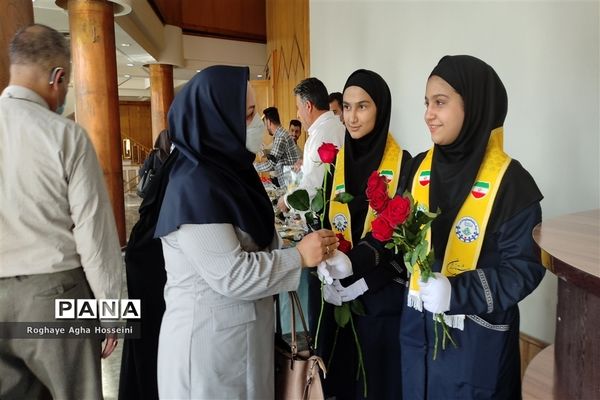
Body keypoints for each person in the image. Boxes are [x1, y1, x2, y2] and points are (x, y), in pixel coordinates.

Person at [153, 65, 339, 399]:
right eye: (248, 115)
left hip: (244, 340)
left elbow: (259, 236)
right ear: (218, 118)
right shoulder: (194, 184)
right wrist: (297, 257)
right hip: (209, 351)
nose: (255, 126)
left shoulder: (229, 172)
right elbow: (232, 274)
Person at [400, 55, 546, 399]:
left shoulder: (512, 183)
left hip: (477, 344)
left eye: (440, 102)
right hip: (417, 334)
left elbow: (524, 267)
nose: (428, 114)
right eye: (426, 103)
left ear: (475, 106)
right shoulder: (419, 167)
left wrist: (458, 292)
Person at [0, 24, 122, 399]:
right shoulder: (65, 135)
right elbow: (95, 237)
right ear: (58, 76)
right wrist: (114, 314)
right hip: (55, 294)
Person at [316, 69, 411, 399]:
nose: (352, 117)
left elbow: (404, 246)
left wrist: (362, 280)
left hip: (381, 303)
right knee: (340, 380)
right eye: (347, 106)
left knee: (375, 385)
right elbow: (323, 220)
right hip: (338, 300)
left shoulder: (405, 167)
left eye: (363, 107)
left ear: (381, 109)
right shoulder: (336, 165)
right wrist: (323, 264)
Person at [277, 77, 345, 212]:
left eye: (298, 108)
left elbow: (313, 188)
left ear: (308, 106)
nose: (298, 115)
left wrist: (286, 200)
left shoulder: (320, 136)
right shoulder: (337, 127)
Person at [253, 106, 300, 187]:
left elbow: (271, 165)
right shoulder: (282, 134)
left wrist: (253, 166)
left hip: (290, 186)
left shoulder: (280, 137)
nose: (265, 127)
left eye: (265, 123)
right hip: (291, 183)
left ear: (269, 122)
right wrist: (265, 152)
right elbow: (277, 157)